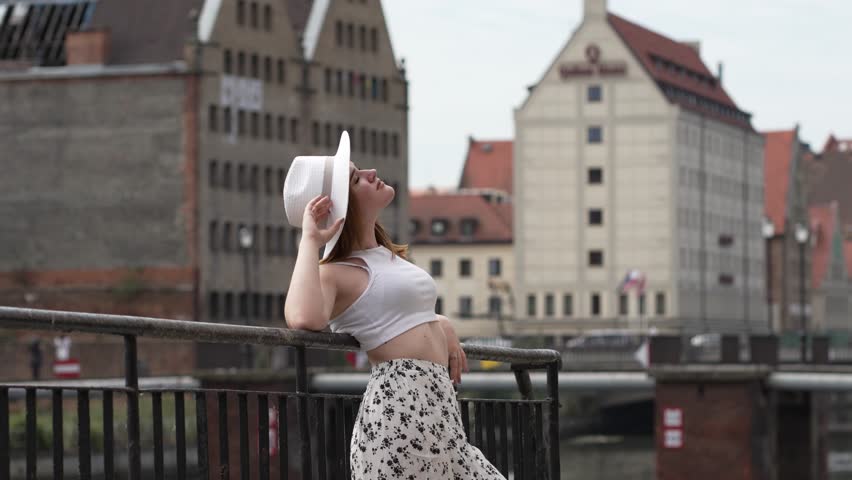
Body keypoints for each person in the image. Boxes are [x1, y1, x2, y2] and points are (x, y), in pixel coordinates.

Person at [283, 132, 505, 478]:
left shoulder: (386, 258)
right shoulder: (339, 272)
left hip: (438, 413)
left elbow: (401, 311)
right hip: (399, 413)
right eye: (357, 178)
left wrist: (439, 323)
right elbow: (302, 317)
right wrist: (310, 240)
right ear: (338, 205)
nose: (372, 172)